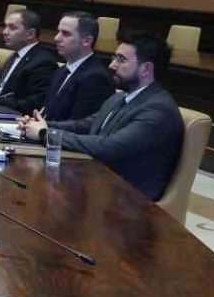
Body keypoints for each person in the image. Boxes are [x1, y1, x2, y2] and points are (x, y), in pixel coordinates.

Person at [23, 31, 184, 201]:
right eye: (114, 58)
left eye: (121, 60)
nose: (112, 65)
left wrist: (45, 134)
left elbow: (110, 147)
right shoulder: (120, 97)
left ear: (146, 69)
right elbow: (86, 125)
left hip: (130, 200)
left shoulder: (158, 110)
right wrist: (41, 124)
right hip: (99, 183)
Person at [32, 12, 116, 121]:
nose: (56, 38)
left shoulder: (96, 78)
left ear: (87, 41)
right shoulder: (62, 71)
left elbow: (80, 125)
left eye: (66, 34)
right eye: (58, 32)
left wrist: (42, 126)